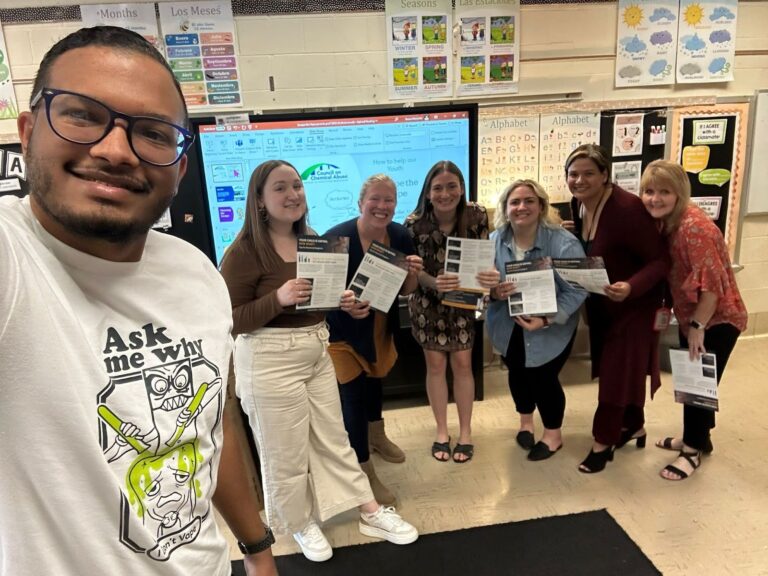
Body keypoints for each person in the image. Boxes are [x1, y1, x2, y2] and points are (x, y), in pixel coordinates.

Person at [0, 27, 277, 575]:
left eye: (151, 133)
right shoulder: (13, 258)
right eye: (81, 115)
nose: (113, 150)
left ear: (178, 166)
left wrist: (257, 547)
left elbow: (210, 423)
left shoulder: (195, 272)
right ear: (28, 132)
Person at [220, 161, 418, 562]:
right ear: (259, 201)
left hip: (315, 348)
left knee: (335, 437)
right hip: (268, 358)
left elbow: (318, 301)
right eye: (280, 188)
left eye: (297, 185)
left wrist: (343, 302)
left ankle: (368, 509)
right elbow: (229, 319)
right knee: (284, 451)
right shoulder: (243, 253)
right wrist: (277, 299)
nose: (293, 194)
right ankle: (299, 521)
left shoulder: (312, 239)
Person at [640, 160, 747, 480]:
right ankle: (699, 438)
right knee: (694, 380)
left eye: (664, 192)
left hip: (716, 319)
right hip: (693, 316)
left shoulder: (693, 227)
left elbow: (712, 287)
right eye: (648, 191)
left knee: (697, 384)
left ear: (680, 193)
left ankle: (692, 451)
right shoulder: (668, 223)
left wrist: (698, 327)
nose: (654, 199)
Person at [565, 144, 669, 473]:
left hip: (635, 304)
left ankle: (603, 441)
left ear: (605, 175)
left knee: (614, 372)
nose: (579, 180)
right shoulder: (578, 204)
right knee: (626, 368)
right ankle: (633, 425)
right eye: (573, 174)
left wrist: (632, 286)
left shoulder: (627, 208)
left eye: (588, 173)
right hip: (603, 302)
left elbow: (661, 259)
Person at [325, 174, 424, 504]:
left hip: (379, 324)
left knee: (374, 383)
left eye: (389, 200)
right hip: (339, 333)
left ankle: (376, 435)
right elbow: (320, 296)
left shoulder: (399, 235)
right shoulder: (336, 238)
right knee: (352, 396)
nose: (382, 206)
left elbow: (407, 292)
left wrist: (412, 275)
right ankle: (363, 469)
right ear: (360, 202)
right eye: (375, 199)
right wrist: (343, 303)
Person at [486, 180, 587, 461]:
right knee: (517, 373)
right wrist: (494, 292)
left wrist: (545, 319)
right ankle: (526, 423)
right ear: (505, 209)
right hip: (508, 326)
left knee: (543, 378)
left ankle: (553, 434)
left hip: (551, 327)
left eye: (529, 201)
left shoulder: (563, 242)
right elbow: (481, 287)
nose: (522, 207)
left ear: (541, 205)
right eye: (514, 202)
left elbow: (578, 289)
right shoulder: (493, 241)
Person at [404, 161, 498, 463]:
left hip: (462, 301)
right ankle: (442, 431)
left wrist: (488, 277)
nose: (445, 193)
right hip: (427, 303)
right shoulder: (414, 223)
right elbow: (413, 272)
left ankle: (466, 432)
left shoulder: (476, 215)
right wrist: (435, 283)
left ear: (461, 188)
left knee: (462, 364)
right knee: (434, 366)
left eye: (451, 186)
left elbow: (486, 257)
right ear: (428, 193)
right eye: (438, 188)